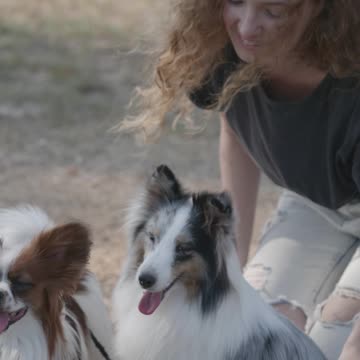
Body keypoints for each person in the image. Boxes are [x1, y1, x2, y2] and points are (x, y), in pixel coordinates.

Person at [120, 0, 360, 358]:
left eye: (273, 10)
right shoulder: (227, 51)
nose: (246, 27)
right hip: (313, 203)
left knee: (337, 339)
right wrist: (233, 262)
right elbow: (238, 131)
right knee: (262, 330)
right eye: (236, 1)